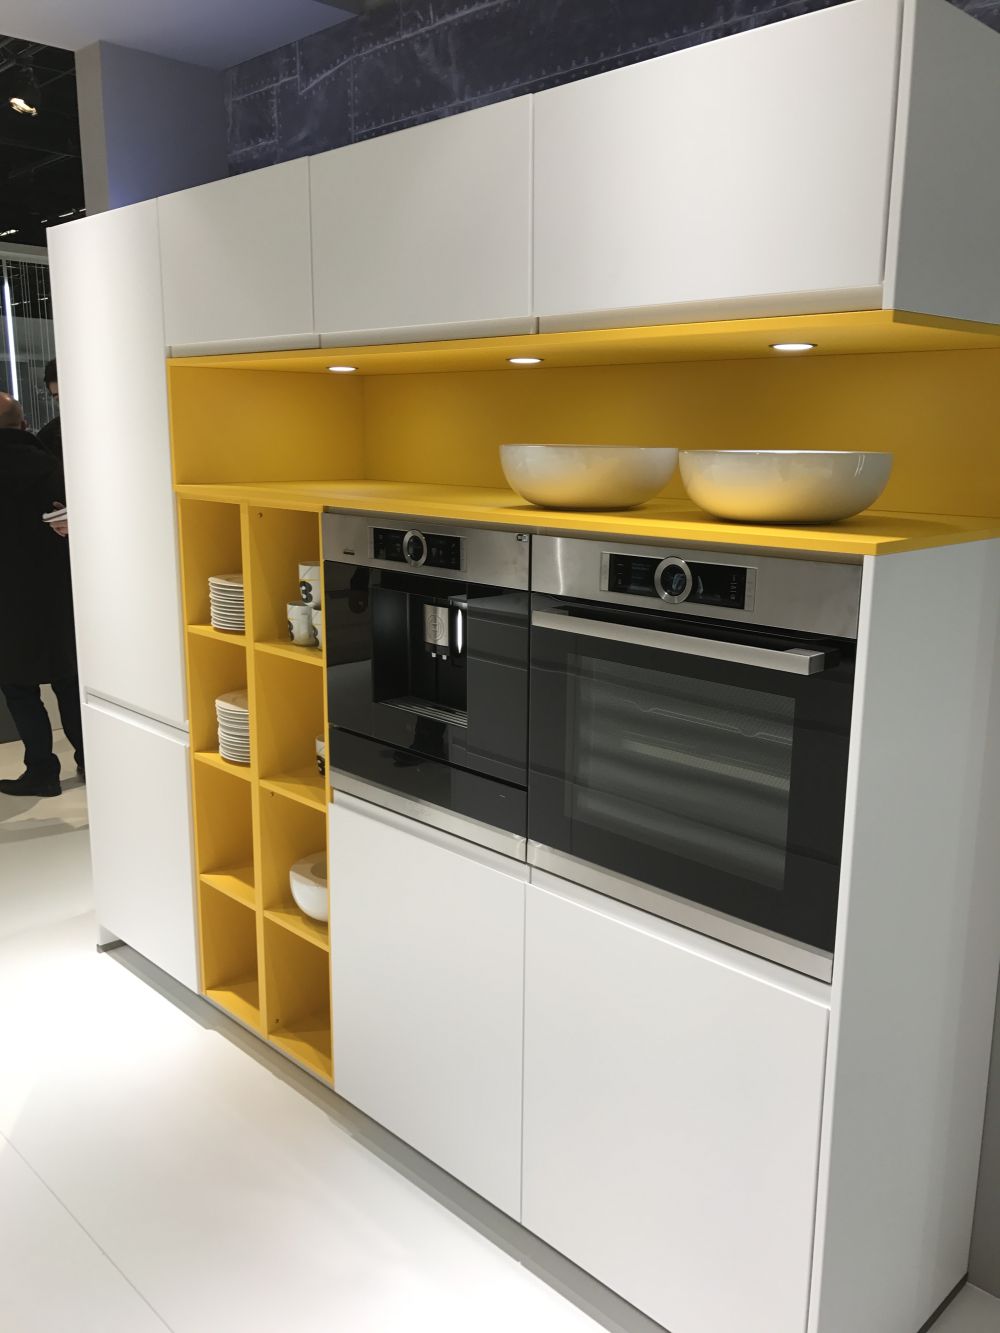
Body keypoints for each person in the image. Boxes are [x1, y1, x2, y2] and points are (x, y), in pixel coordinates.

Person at [0, 391, 84, 796]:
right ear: (23, 422)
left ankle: (42, 772)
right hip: (58, 593)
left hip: (8, 601)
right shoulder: (51, 465)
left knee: (18, 687)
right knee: (69, 680)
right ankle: (92, 762)